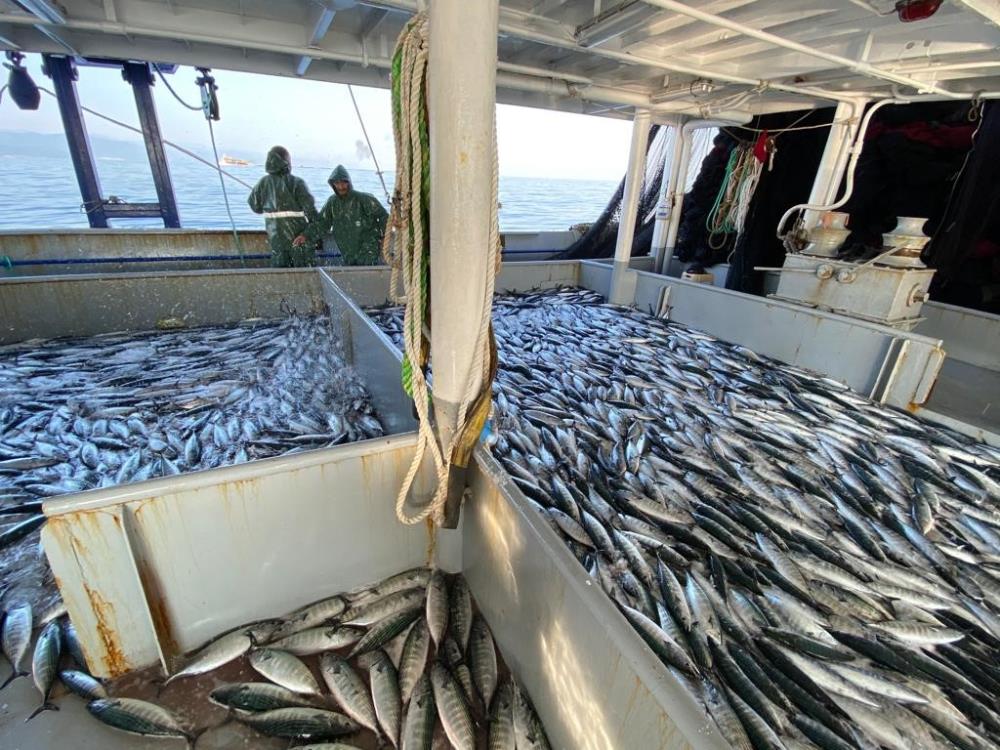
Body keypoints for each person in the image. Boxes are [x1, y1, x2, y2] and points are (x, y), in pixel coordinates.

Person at [293, 165, 388, 265]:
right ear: (333, 184)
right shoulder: (332, 202)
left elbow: (383, 216)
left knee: (366, 271)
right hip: (348, 250)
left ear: (349, 182)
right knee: (353, 272)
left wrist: (385, 237)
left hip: (369, 248)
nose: (341, 187)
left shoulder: (364, 199)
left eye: (344, 182)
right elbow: (321, 223)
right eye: (337, 183)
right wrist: (305, 235)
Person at [248, 146, 319, 267]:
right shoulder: (297, 183)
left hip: (277, 246)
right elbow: (313, 215)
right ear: (287, 162)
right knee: (304, 276)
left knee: (281, 275)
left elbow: (256, 208)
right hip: (299, 244)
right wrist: (311, 235)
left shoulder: (262, 183)